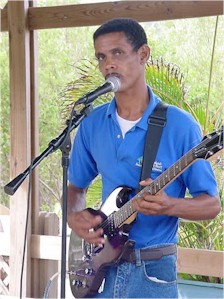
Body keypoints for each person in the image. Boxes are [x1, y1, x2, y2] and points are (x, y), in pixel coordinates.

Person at [67, 18, 221, 298]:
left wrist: (169, 205)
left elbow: (211, 205)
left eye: (117, 53)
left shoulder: (181, 126)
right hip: (101, 271)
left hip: (153, 274)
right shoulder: (92, 124)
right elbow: (76, 188)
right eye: (101, 57)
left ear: (143, 55)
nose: (108, 65)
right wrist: (74, 216)